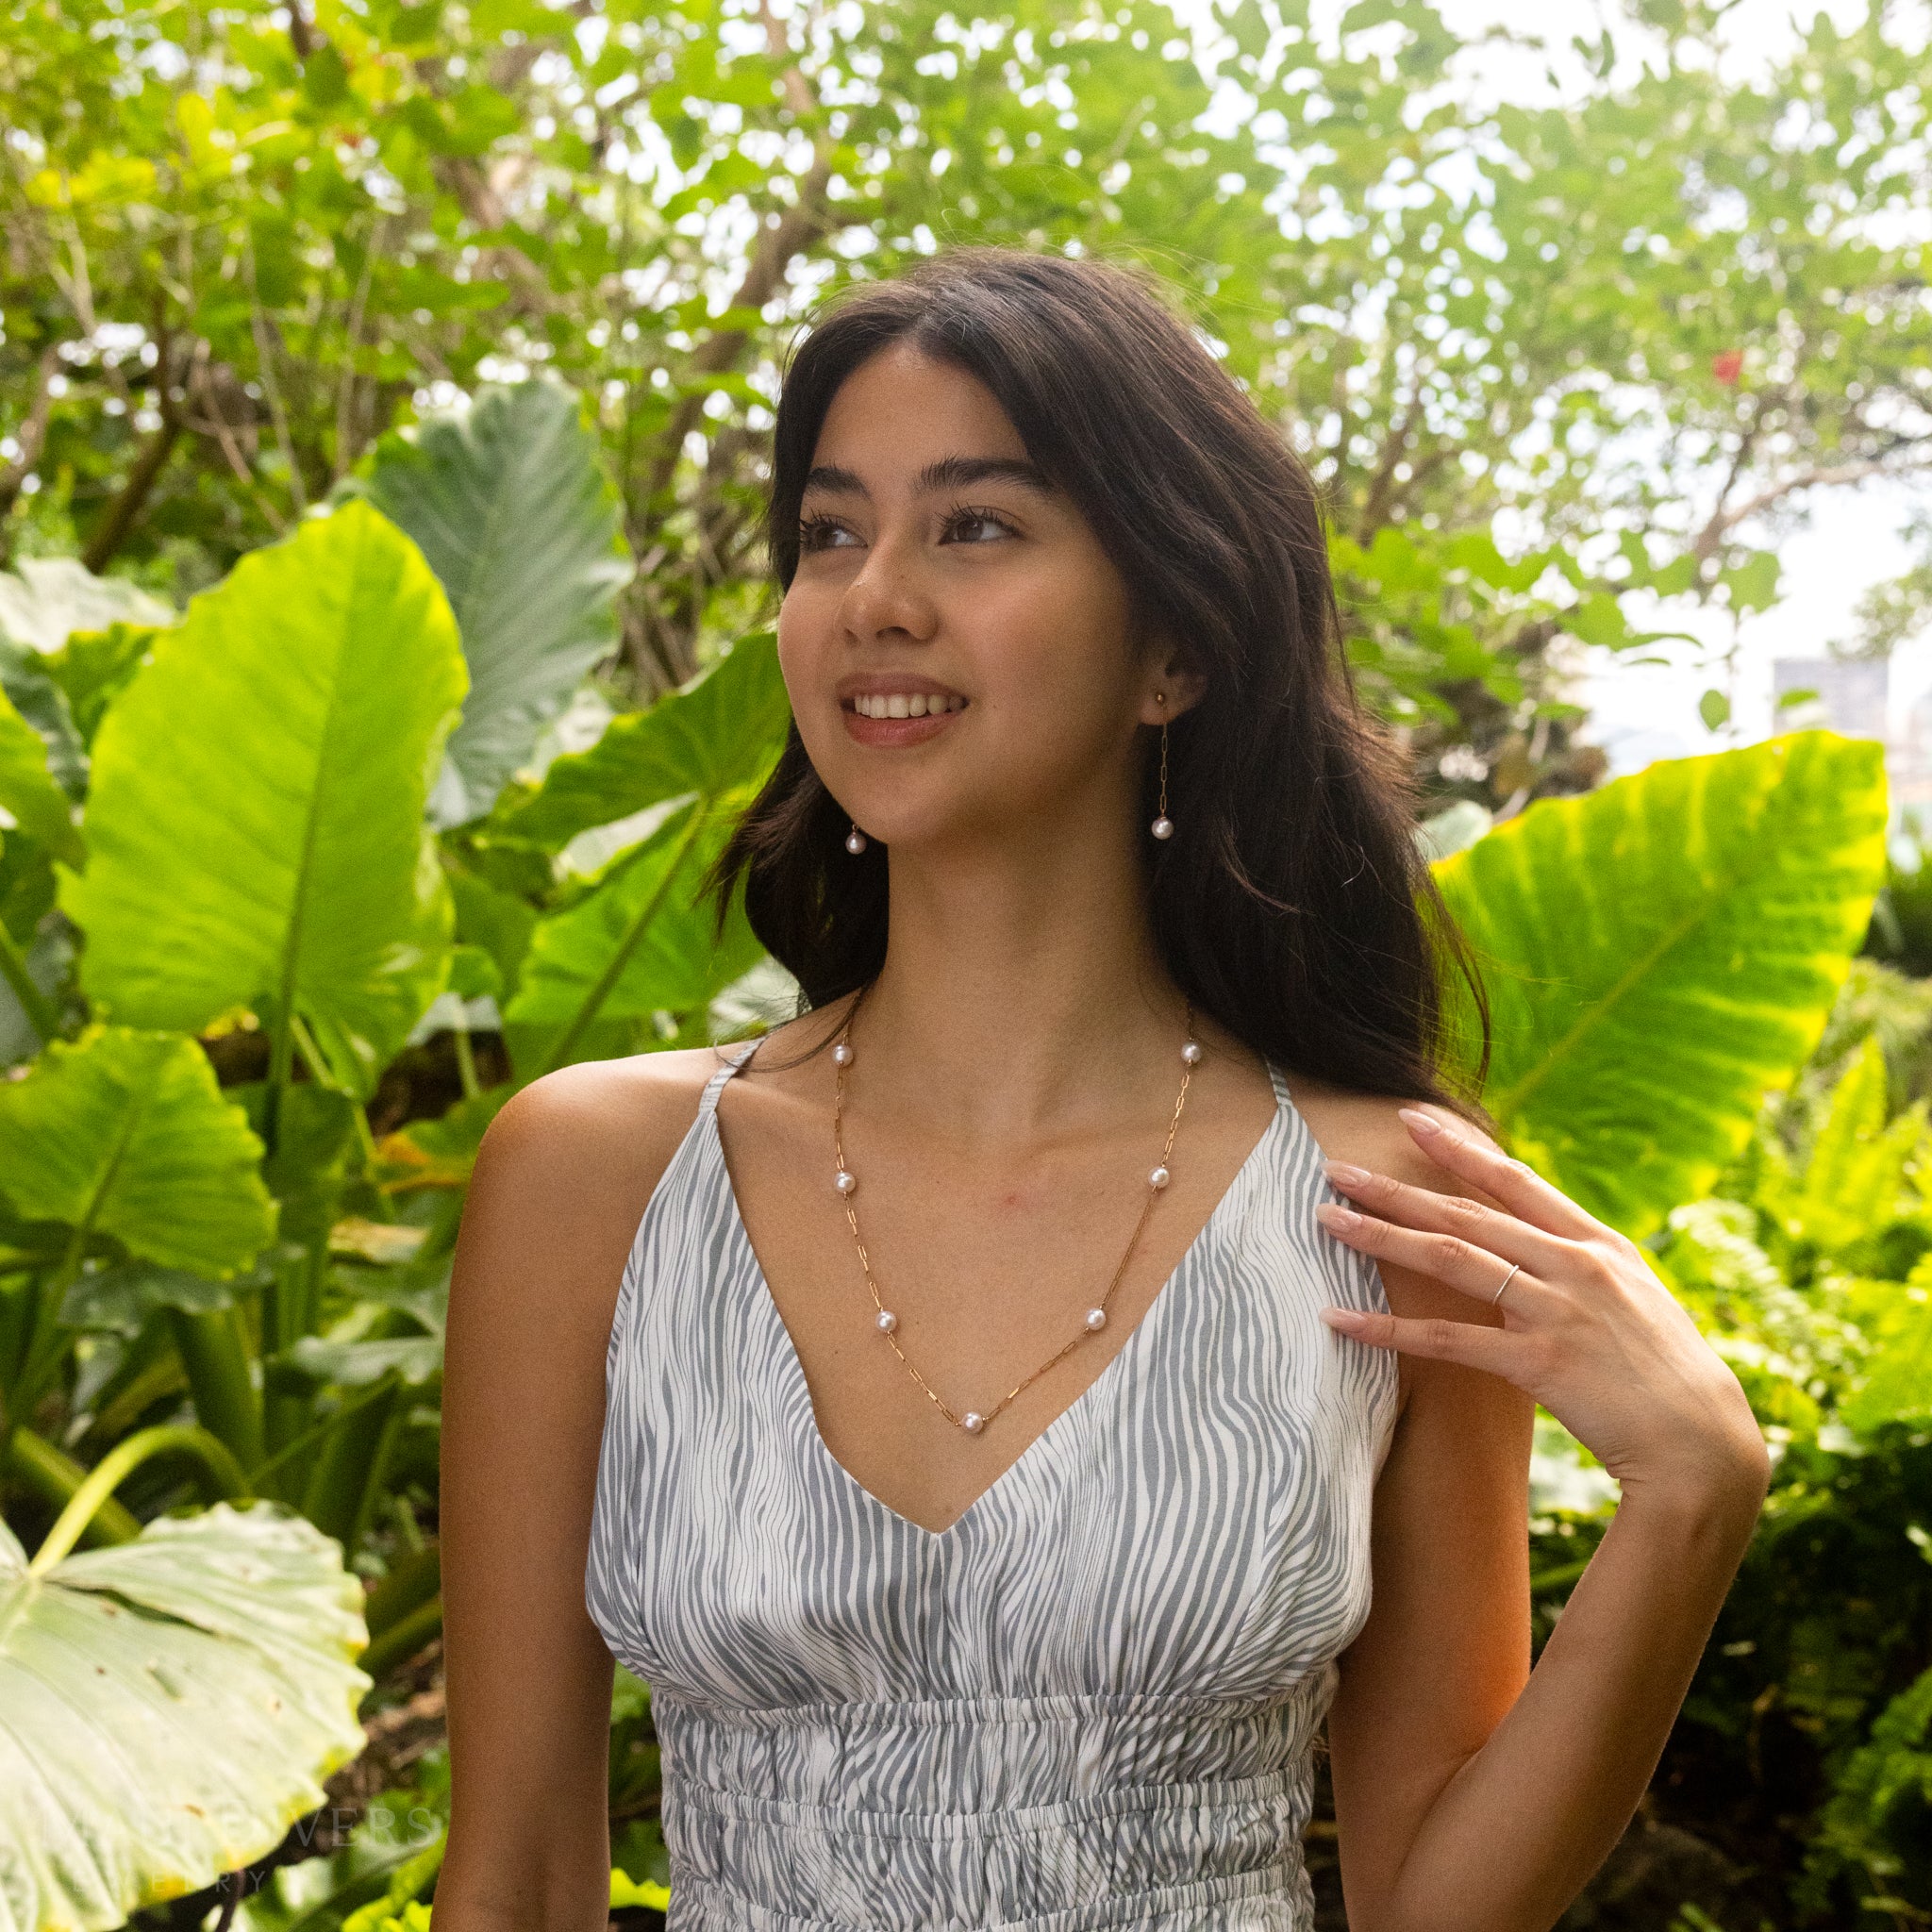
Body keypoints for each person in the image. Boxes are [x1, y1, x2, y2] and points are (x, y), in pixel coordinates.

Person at [433, 248, 1770, 1932]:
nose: (877, 597)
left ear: (1178, 651)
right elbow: (521, 1878)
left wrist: (1693, 1494)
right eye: (833, 531)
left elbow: (1435, 1906)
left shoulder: (1386, 1202)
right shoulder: (596, 1174)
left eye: (974, 526)